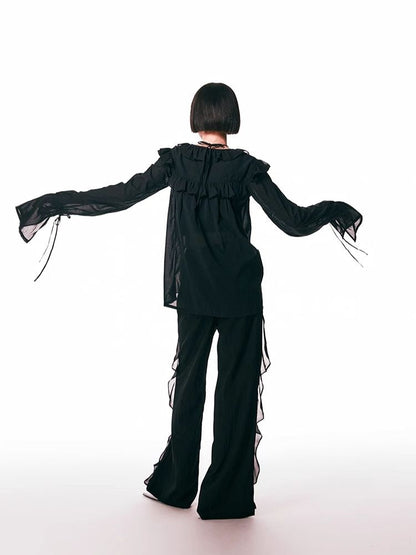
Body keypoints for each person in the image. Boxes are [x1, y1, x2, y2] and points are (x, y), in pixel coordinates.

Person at [15, 82, 365, 520]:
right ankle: (225, 499)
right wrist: (337, 210)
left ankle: (177, 487)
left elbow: (122, 195)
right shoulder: (246, 169)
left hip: (194, 291)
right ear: (232, 118)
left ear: (197, 116)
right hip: (239, 292)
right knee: (236, 389)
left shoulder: (177, 161)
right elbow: (292, 221)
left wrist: (55, 204)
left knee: (189, 385)